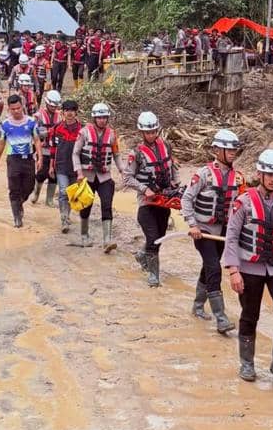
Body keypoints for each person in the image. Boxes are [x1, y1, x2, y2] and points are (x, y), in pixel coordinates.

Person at [223, 149, 273, 388]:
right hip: (250, 269)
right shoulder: (242, 203)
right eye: (269, 174)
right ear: (260, 173)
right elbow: (231, 237)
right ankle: (247, 363)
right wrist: (234, 270)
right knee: (250, 316)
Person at [181, 129, 245, 334]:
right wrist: (192, 224)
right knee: (214, 268)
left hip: (223, 232)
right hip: (203, 231)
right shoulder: (203, 174)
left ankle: (198, 306)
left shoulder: (238, 178)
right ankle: (221, 318)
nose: (233, 152)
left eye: (235, 149)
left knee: (209, 267)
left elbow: (243, 207)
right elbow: (186, 199)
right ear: (217, 150)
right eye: (229, 149)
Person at [123, 112, 181, 287]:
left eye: (154, 131)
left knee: (160, 236)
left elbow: (173, 168)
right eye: (147, 132)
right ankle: (154, 275)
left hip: (164, 200)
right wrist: (144, 189)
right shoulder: (137, 154)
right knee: (153, 236)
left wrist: (176, 183)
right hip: (146, 203)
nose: (151, 135)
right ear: (141, 133)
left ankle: (142, 256)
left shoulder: (167, 147)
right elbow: (126, 178)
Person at [72, 100, 124, 251]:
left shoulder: (112, 135)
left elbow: (117, 155)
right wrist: (79, 172)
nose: (102, 120)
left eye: (104, 117)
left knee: (107, 205)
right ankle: (84, 235)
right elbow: (75, 153)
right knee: (86, 207)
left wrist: (122, 170)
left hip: (104, 177)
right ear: (94, 118)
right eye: (99, 118)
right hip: (87, 176)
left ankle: (107, 240)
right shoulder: (84, 132)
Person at [0, 94, 43, 228]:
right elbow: (1, 144)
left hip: (28, 159)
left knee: (29, 186)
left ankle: (19, 203)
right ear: (9, 109)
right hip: (13, 160)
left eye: (18, 108)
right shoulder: (5, 125)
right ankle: (17, 218)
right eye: (13, 109)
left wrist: (40, 158)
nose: (16, 111)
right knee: (14, 189)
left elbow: (37, 141)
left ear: (22, 107)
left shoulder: (31, 122)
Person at [50, 99, 82, 233]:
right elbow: (53, 148)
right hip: (61, 165)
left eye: (72, 111)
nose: (69, 113)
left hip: (76, 167)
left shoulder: (82, 130)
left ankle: (67, 216)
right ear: (63, 112)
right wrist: (51, 166)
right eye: (67, 110)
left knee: (72, 193)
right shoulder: (57, 128)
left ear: (76, 112)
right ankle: (64, 219)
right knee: (63, 191)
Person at [31, 89, 61, 207]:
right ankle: (36, 193)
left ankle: (49, 200)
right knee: (41, 173)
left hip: (56, 149)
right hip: (43, 149)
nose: (53, 108)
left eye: (55, 106)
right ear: (46, 103)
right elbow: (37, 134)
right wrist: (51, 131)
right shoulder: (38, 116)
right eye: (51, 106)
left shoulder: (60, 116)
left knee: (54, 175)